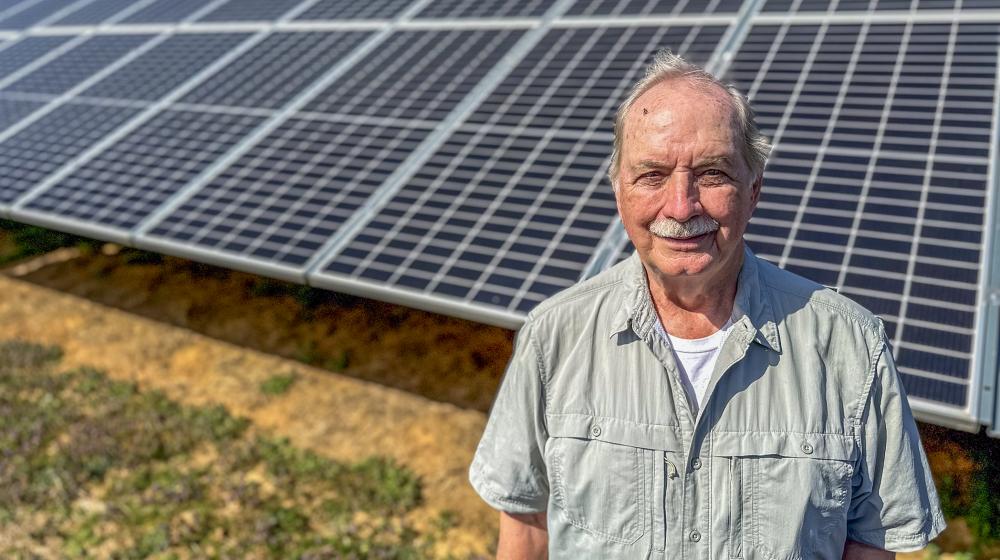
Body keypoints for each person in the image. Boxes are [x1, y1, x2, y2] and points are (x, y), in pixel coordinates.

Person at [468, 51, 945, 560]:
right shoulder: (553, 336)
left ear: (754, 189)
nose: (680, 205)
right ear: (619, 192)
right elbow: (527, 522)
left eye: (712, 173)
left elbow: (871, 540)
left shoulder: (850, 345)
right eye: (652, 175)